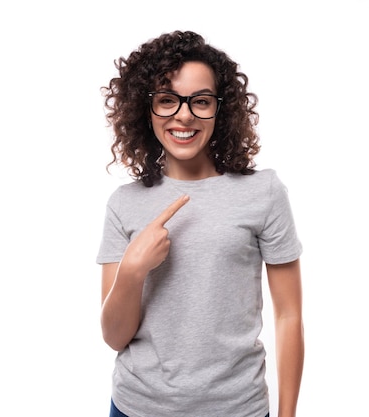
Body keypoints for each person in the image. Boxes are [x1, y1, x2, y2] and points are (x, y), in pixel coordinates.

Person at [96, 30, 304, 417]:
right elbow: (114, 337)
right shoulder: (124, 203)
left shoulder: (263, 193)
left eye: (201, 101)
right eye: (167, 100)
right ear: (147, 109)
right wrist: (132, 270)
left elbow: (289, 315)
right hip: (135, 408)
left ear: (220, 110)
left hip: (237, 408)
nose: (185, 115)